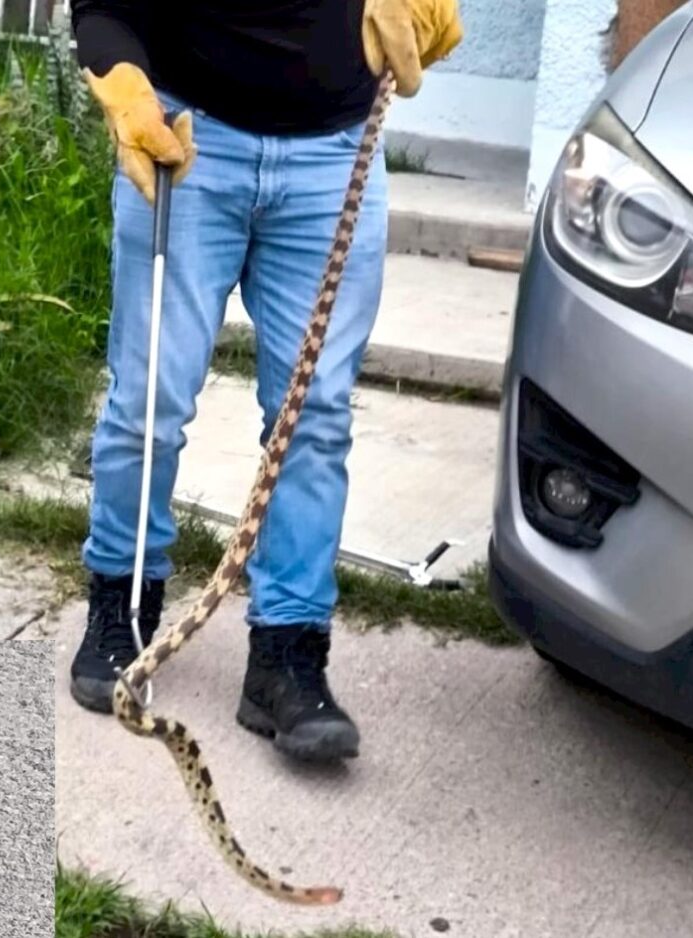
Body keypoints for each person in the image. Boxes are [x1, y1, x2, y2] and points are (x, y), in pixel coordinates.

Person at [68, 1, 463, 763]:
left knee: (313, 421)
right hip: (188, 138)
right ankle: (121, 611)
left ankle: (288, 659)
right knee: (147, 405)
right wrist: (123, 80)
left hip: (334, 153)